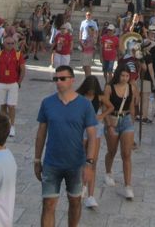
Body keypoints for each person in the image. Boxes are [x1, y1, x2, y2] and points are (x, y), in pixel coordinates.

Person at [35, 65, 98, 226]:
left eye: (62, 78)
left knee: (75, 202)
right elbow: (41, 133)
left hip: (76, 164)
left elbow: (92, 136)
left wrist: (89, 164)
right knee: (48, 205)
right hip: (51, 163)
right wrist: (37, 160)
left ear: (72, 80)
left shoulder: (84, 105)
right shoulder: (47, 103)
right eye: (56, 79)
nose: (58, 82)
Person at [102, 65, 138, 201]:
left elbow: (131, 106)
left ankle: (128, 186)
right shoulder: (109, 88)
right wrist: (109, 125)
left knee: (126, 154)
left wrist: (132, 121)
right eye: (122, 75)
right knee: (112, 151)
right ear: (118, 75)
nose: (125, 78)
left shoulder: (131, 88)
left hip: (127, 120)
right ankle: (108, 172)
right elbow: (104, 107)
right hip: (112, 120)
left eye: (127, 76)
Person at [76, 76, 109, 209]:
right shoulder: (78, 97)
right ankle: (82, 186)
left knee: (93, 162)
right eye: (89, 91)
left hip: (95, 129)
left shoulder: (99, 97)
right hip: (82, 129)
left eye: (93, 91)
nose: (91, 93)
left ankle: (90, 195)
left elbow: (110, 107)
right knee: (82, 160)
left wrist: (102, 115)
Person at [0, 36, 26, 138]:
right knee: (2, 106)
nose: (11, 45)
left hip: (13, 83)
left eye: (12, 43)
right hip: (1, 83)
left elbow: (23, 69)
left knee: (11, 106)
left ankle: (12, 126)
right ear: (3, 43)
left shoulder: (18, 54)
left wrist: (18, 82)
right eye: (8, 43)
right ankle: (4, 126)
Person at [79, 13, 97, 78]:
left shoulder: (92, 38)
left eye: (90, 31)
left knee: (87, 66)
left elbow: (91, 45)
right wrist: (81, 41)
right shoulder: (88, 37)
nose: (88, 31)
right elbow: (81, 31)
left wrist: (83, 45)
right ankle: (87, 76)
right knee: (84, 66)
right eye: (88, 30)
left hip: (89, 52)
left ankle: (88, 78)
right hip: (85, 50)